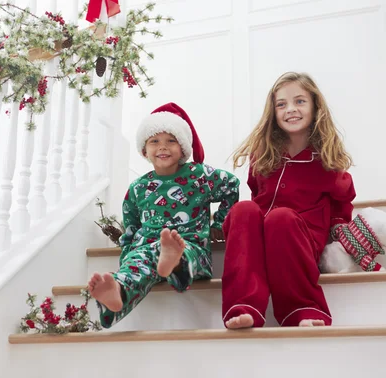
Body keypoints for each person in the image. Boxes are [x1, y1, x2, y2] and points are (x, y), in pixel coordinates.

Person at [88, 102, 240, 328]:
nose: (163, 147)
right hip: (148, 248)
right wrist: (127, 257)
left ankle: (174, 261)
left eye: (171, 140)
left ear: (184, 148)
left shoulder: (199, 175)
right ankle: (117, 293)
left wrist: (220, 223)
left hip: (191, 245)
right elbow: (130, 229)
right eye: (154, 141)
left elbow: (231, 186)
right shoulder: (138, 188)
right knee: (138, 260)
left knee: (182, 251)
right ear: (144, 150)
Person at [222, 72, 355, 329]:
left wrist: (339, 228)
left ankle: (302, 309)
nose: (290, 109)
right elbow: (255, 191)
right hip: (262, 235)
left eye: (299, 101)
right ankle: (245, 305)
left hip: (298, 237)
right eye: (281, 104)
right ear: (273, 112)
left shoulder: (326, 159)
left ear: (315, 106)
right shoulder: (263, 155)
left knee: (279, 218)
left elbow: (343, 198)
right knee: (243, 209)